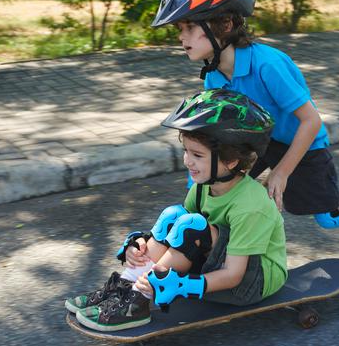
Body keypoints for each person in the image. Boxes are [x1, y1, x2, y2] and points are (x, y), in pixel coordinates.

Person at [151, 0, 339, 242]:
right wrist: (199, 184)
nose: (181, 37)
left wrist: (281, 172)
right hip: (258, 142)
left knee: (330, 218)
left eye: (190, 27)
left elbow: (311, 120)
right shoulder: (214, 75)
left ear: (225, 25)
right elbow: (218, 130)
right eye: (179, 28)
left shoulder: (268, 65)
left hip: (301, 142)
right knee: (217, 188)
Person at [65, 89, 288, 331]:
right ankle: (126, 286)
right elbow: (177, 237)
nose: (187, 161)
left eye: (197, 155)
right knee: (174, 216)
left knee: (193, 227)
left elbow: (233, 275)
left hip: (251, 283)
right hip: (222, 266)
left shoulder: (250, 206)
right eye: (186, 151)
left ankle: (140, 300)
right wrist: (141, 249)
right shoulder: (203, 187)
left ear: (231, 161)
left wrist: (183, 285)